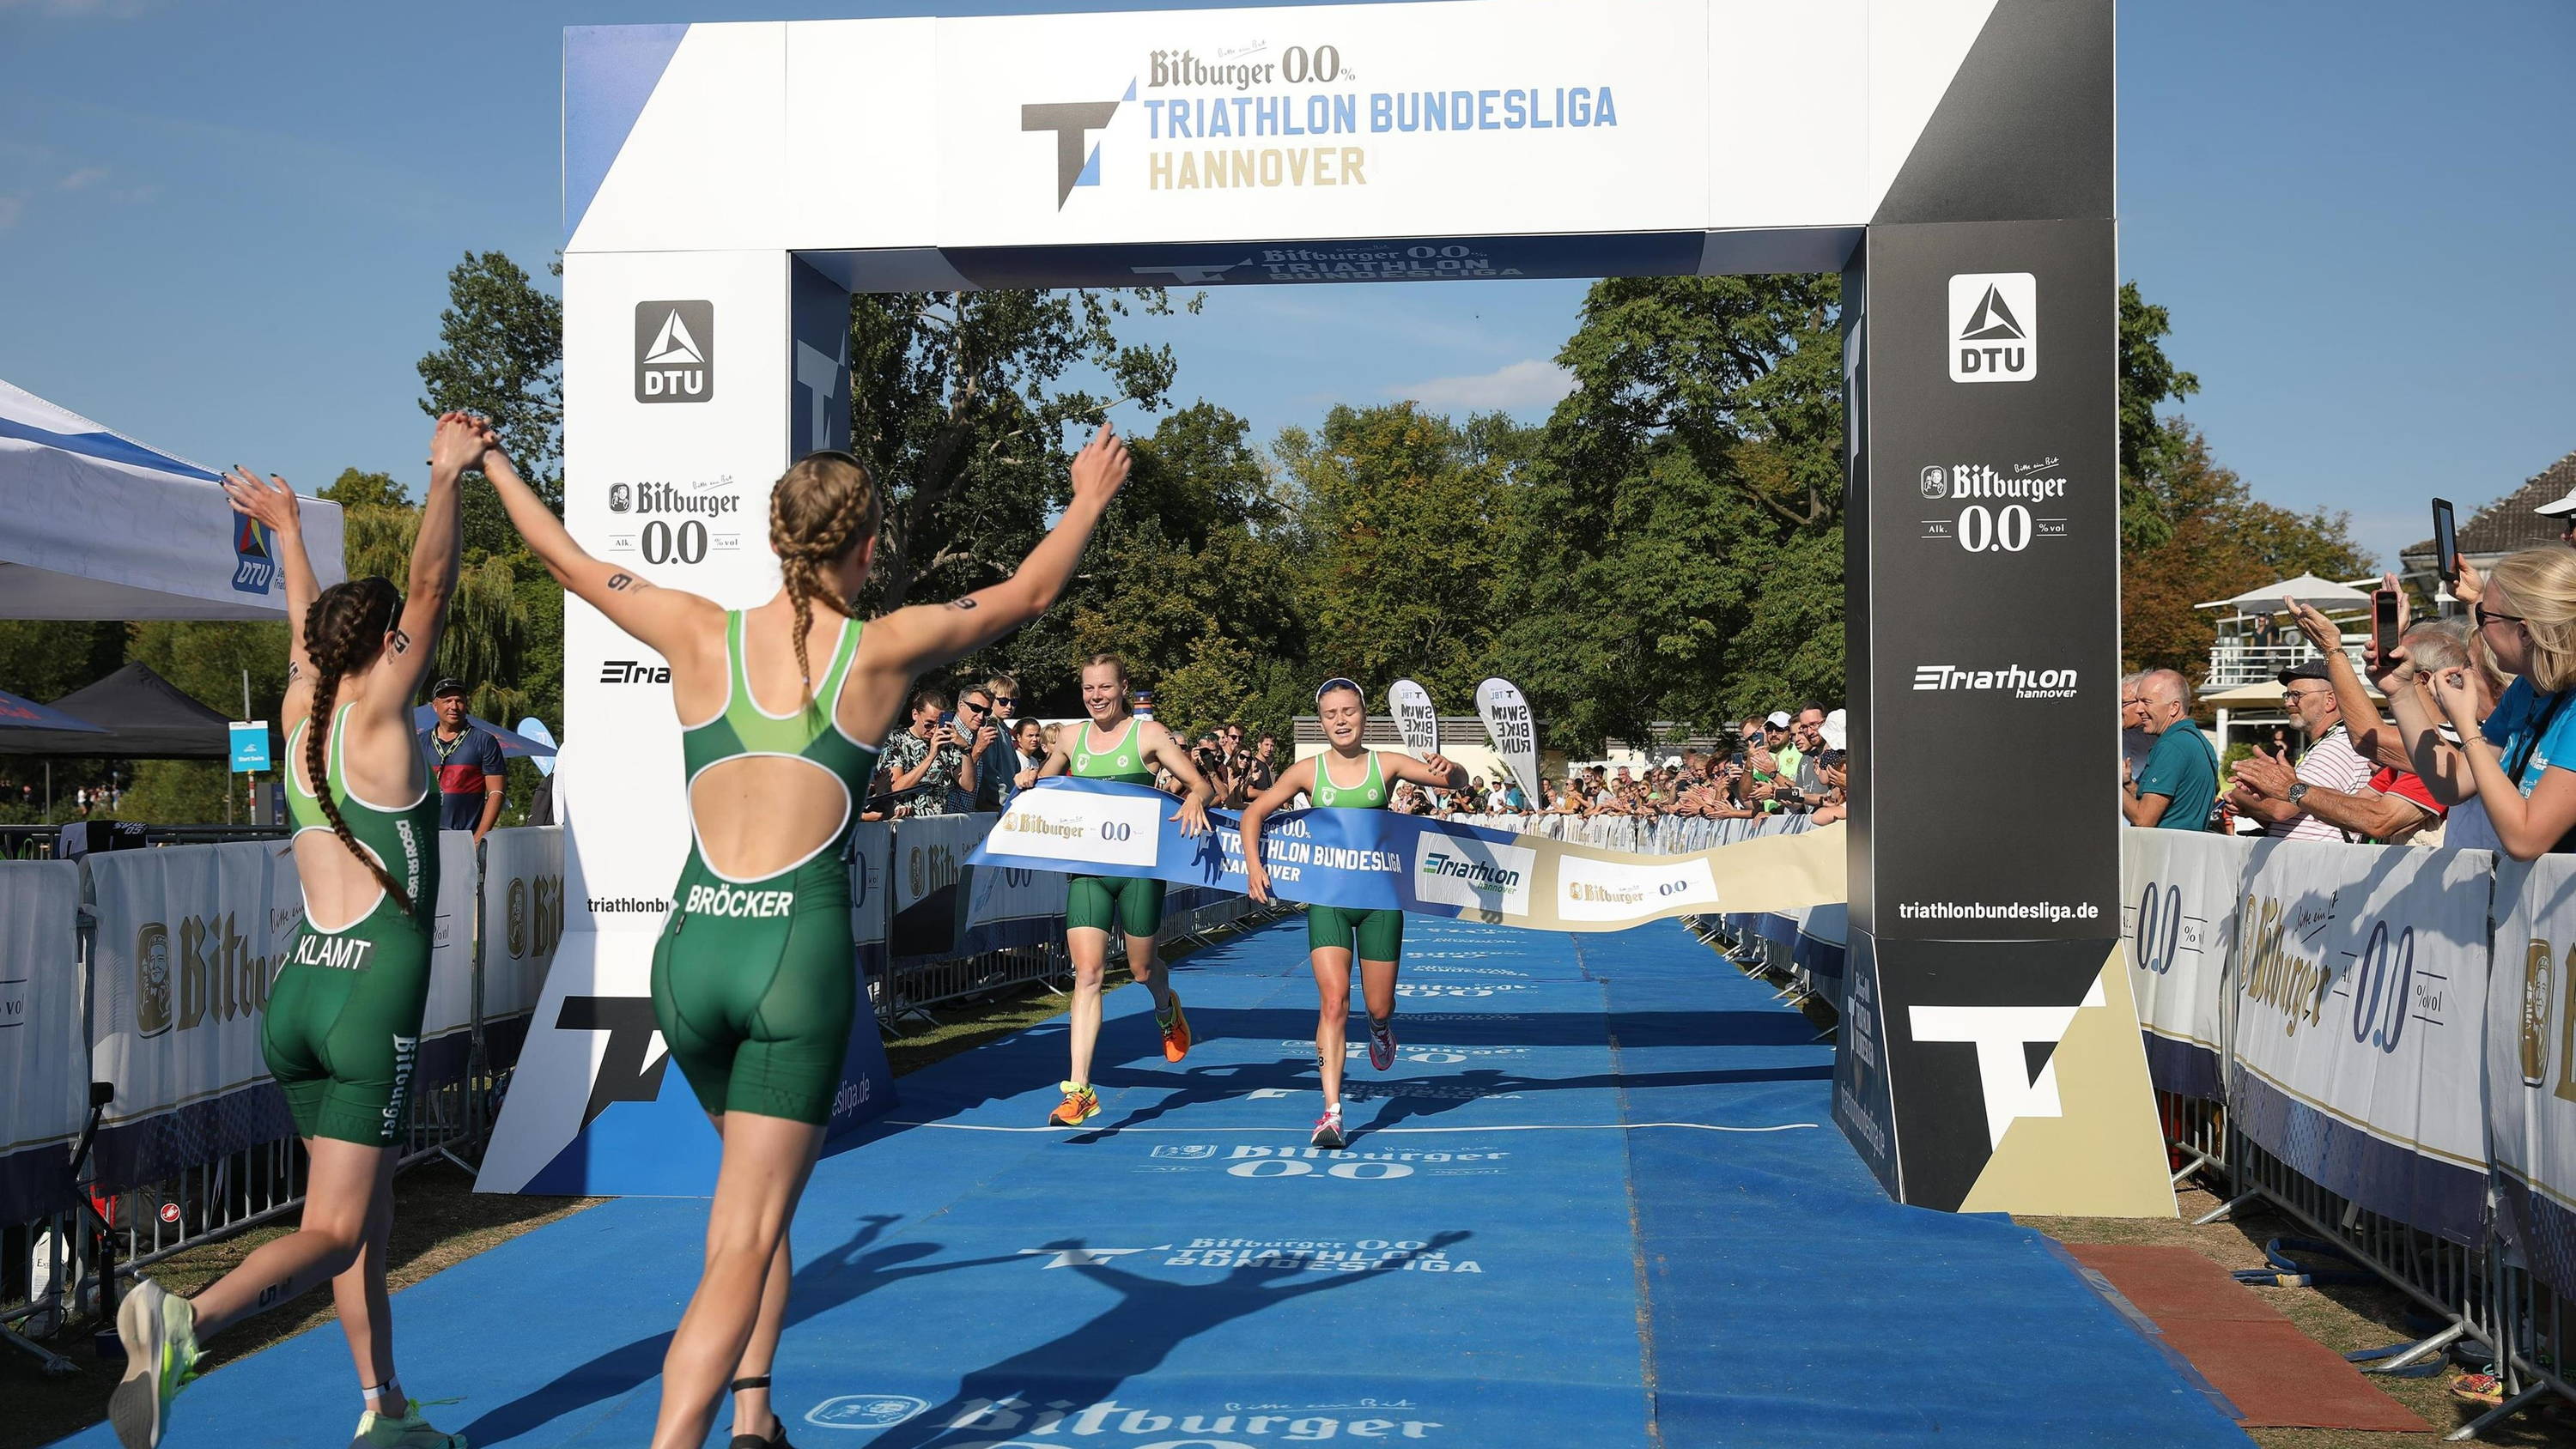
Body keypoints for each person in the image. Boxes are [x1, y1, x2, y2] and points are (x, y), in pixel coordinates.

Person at [477, 419, 1136, 1449]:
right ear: (868, 546)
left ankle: (755, 1416)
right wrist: (1087, 498)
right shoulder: (879, 649)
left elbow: (564, 557)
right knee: (743, 1234)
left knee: (751, 1203)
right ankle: (674, 1438)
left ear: (776, 538)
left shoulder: (695, 629)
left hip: (691, 956)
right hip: (794, 959)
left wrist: (494, 463)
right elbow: (1027, 595)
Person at [112, 420, 475, 1449]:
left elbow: (306, 626)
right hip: (367, 1006)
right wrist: (444, 476)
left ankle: (385, 1408)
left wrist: (285, 532)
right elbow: (433, 583)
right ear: (386, 649)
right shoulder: (378, 721)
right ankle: (186, 1321)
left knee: (366, 1220)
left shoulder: (302, 703)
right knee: (331, 1229)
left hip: (304, 992)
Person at [1238, 678, 1467, 1149]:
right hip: (1329, 903)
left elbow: (1454, 782)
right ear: (1320, 721)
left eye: (1349, 711)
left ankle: (1381, 1028)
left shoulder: (1387, 764)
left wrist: (1453, 767)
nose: (1340, 720)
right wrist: (1254, 866)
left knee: (1377, 1005)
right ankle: (1331, 1112)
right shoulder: (1306, 771)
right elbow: (1253, 814)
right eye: (1330, 714)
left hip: (1381, 902)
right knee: (1333, 1002)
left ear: (1364, 715)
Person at [1034, 653, 1214, 1127]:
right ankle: (1079, 1090)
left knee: (1139, 968)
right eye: (1089, 688)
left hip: (1138, 869)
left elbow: (1204, 784)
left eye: (1105, 688)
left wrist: (1195, 795)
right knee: (1087, 972)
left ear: (1123, 688)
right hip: (1089, 869)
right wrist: (1029, 782)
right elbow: (1046, 781)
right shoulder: (1072, 737)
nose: (1096, 697)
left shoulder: (1147, 735)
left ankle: (1164, 1006)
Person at [2399, 548, 2576, 859]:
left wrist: (2466, 726)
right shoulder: (2525, 689)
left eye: (2483, 616)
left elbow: (2525, 840)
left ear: (2525, 632)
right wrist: (2399, 690)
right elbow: (2452, 786)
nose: (2478, 627)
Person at [2229, 661, 2373, 840]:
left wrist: (2238, 795)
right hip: (2309, 860)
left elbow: (2280, 810)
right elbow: (2301, 819)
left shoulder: (2336, 746)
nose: (2288, 703)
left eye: (2297, 695)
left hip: (2316, 863)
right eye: (2287, 695)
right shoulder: (2333, 742)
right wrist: (2257, 796)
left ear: (2330, 700)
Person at [2121, 669, 2215, 830]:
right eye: (2137, 701)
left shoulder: (2173, 746)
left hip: (2167, 851)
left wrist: (2109, 780)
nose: (2139, 709)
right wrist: (2128, 784)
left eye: (2146, 702)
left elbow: (2144, 819)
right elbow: (2159, 801)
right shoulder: (2194, 740)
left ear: (2174, 707)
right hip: (2184, 848)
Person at [420, 678, 504, 842]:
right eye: (447, 701)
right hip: (426, 837)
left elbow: (496, 793)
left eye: (459, 701)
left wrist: (478, 839)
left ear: (466, 705)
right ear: (435, 706)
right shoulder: (419, 742)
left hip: (465, 837)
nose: (453, 706)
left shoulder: (484, 741)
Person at [881, 687, 975, 815]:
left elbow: (968, 785)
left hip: (939, 824)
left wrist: (966, 748)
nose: (934, 730)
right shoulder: (895, 740)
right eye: (929, 724)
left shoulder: (946, 743)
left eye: (940, 724)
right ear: (915, 714)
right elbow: (896, 788)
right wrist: (931, 756)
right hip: (907, 823)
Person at [971, 672, 1023, 811]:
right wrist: (1004, 801)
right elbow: (988, 770)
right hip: (996, 804)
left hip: (1008, 800)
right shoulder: (989, 727)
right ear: (991, 700)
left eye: (1014, 702)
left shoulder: (1004, 727)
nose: (1009, 706)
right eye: (1003, 701)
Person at [999, 716, 1048, 809]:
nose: (1035, 739)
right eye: (1030, 735)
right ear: (1019, 737)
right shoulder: (1015, 758)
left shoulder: (1034, 761)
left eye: (1037, 735)